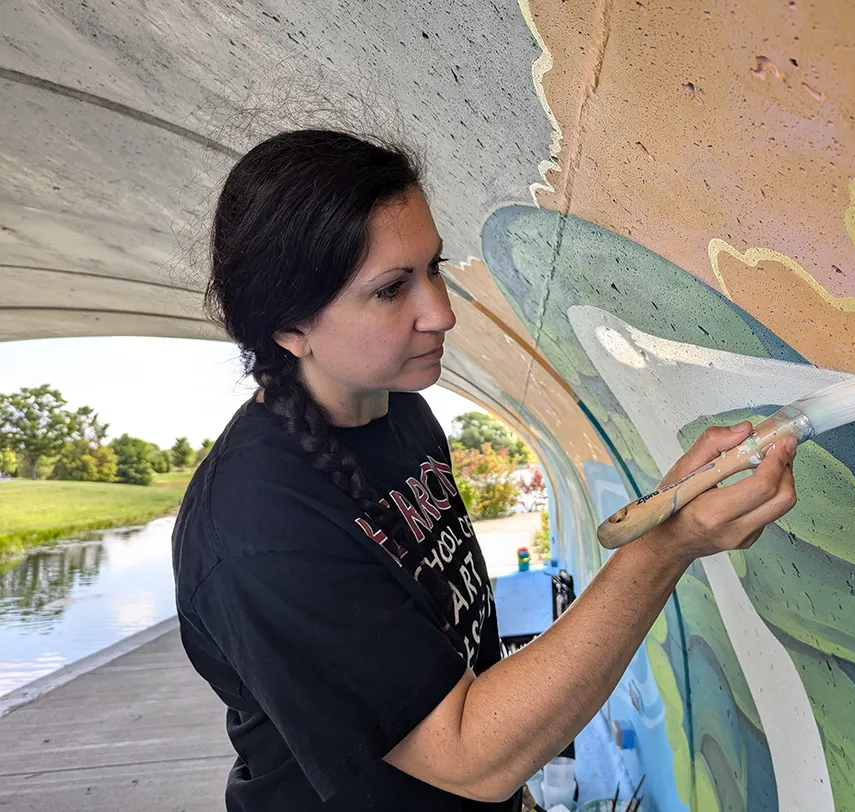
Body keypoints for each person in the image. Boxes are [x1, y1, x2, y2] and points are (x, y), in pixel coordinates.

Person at [171, 129, 798, 812]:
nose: (440, 313)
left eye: (432, 267)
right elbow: (466, 754)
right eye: (390, 290)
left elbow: (451, 662)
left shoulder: (400, 409)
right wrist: (669, 543)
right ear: (289, 329)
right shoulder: (256, 532)